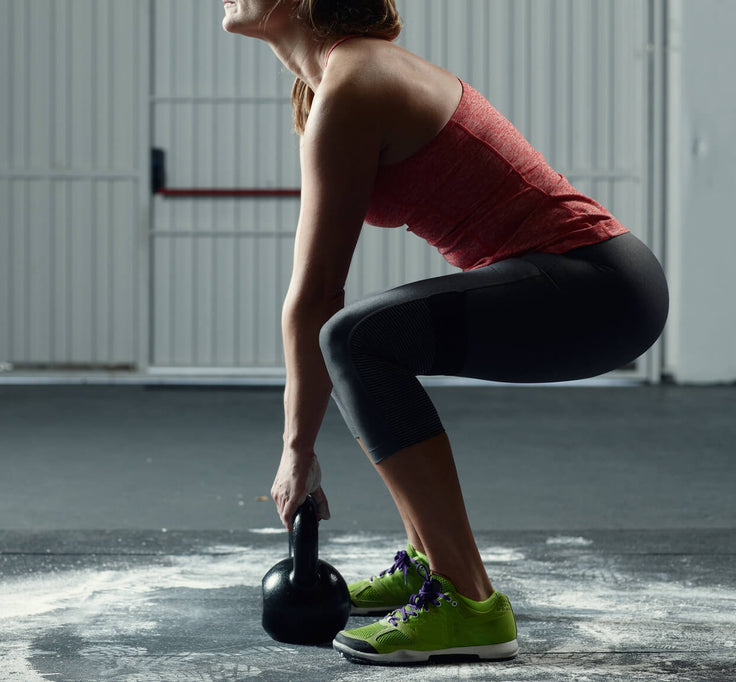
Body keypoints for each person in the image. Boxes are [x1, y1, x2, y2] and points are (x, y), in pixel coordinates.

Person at [223, 0, 669, 666]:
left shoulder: (355, 82)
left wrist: (297, 451)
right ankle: (431, 566)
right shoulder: (342, 79)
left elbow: (316, 293)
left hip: (598, 287)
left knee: (356, 338)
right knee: (364, 340)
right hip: (592, 282)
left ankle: (470, 605)